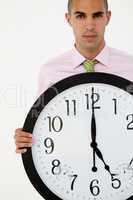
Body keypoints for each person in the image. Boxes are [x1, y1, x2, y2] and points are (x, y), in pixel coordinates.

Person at [14, 0, 133, 154]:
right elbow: (42, 124)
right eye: (80, 16)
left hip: (120, 157)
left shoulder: (130, 67)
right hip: (72, 158)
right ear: (69, 18)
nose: (89, 25)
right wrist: (25, 136)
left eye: (97, 15)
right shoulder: (51, 71)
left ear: (108, 17)